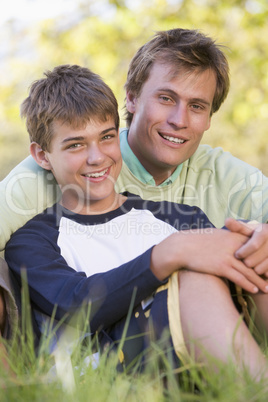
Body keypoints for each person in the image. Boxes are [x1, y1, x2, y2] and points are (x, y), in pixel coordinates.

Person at [4, 64, 268, 380]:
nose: (96, 157)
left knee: (254, 253)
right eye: (75, 144)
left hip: (193, 355)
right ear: (43, 156)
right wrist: (168, 254)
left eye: (106, 137)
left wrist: (249, 241)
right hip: (107, 371)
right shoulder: (32, 241)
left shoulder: (176, 217)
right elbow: (76, 305)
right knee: (193, 278)